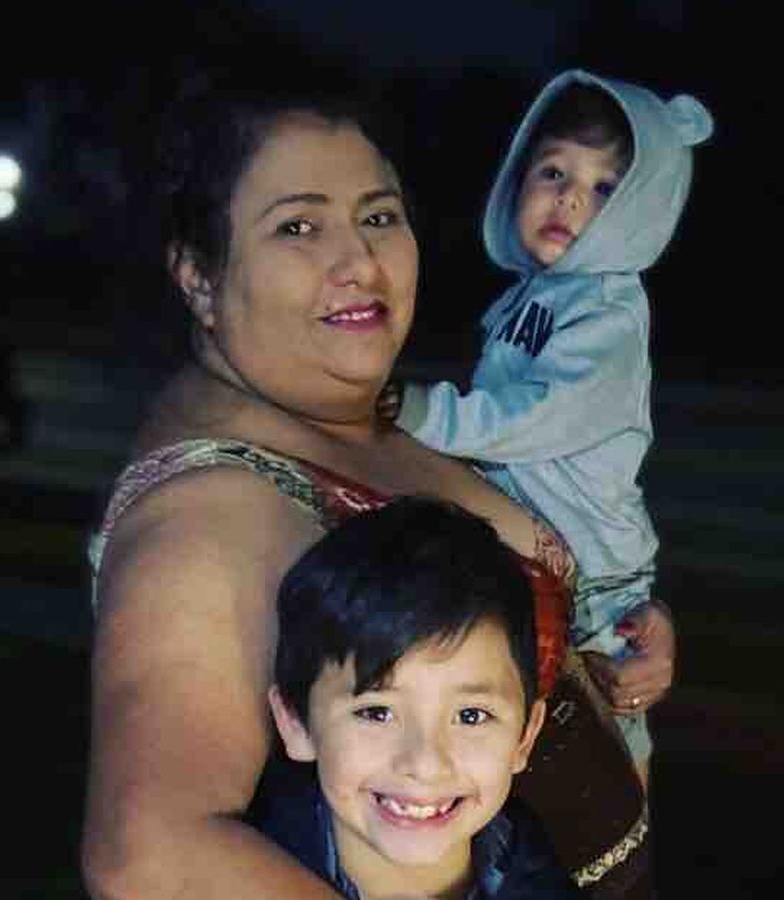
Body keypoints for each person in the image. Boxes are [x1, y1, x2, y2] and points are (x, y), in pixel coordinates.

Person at [82, 81, 676, 900]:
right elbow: (150, 854)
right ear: (198, 275)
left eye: (379, 216)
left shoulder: (364, 419)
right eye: (298, 227)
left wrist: (623, 625)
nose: (359, 262)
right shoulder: (209, 512)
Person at [394, 70, 712, 783]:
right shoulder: (526, 300)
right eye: (553, 171)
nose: (569, 197)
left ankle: (624, 835)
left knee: (599, 749)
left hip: (593, 573)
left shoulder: (609, 313)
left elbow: (535, 419)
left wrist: (423, 413)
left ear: (641, 212)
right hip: (532, 555)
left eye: (605, 188)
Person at [255, 496, 582, 899]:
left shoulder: (539, 875)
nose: (425, 765)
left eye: (471, 716)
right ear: (295, 722)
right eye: (376, 713)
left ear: (525, 737)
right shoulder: (226, 873)